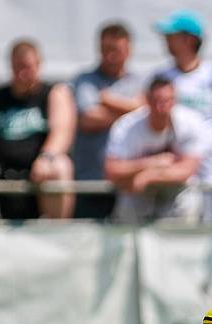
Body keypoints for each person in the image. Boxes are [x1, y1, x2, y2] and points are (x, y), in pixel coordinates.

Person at [0, 39, 76, 220]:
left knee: (60, 167)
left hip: (39, 179)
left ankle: (58, 232)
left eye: (28, 67)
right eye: (18, 68)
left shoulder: (54, 93)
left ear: (39, 65)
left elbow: (62, 133)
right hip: (2, 176)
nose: (23, 74)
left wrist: (46, 158)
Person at [153, 10, 212, 209]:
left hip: (211, 168)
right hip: (176, 165)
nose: (166, 40)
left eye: (171, 36)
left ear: (189, 39)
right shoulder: (162, 76)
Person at [105, 76, 212, 223]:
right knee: (127, 204)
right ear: (147, 100)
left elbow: (187, 170)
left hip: (175, 189)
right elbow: (112, 170)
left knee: (190, 198)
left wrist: (149, 176)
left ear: (174, 100)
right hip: (136, 192)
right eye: (156, 100)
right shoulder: (126, 126)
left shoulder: (191, 123)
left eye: (166, 101)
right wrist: (151, 163)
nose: (161, 107)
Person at [72, 22, 144, 220]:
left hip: (128, 186)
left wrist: (109, 101)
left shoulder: (139, 81)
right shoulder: (85, 80)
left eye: (116, 50)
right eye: (106, 50)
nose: (110, 56)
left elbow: (146, 113)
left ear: (129, 50)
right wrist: (131, 111)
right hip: (90, 180)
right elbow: (88, 118)